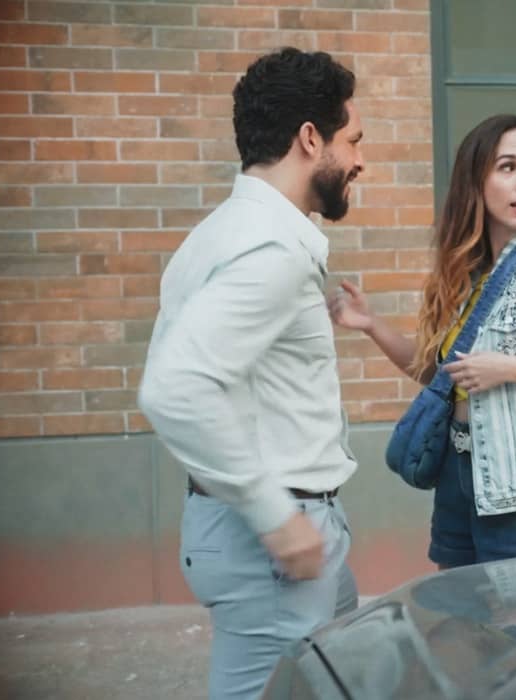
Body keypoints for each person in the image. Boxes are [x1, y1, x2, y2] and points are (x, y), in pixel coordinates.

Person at [137, 47, 365, 700]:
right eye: (353, 140)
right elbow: (175, 388)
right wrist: (277, 519)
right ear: (309, 138)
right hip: (272, 547)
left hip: (275, 538)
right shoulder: (271, 250)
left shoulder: (217, 234)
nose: (359, 161)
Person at [330, 113, 516, 568]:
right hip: (459, 476)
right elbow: (440, 377)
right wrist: (371, 324)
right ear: (476, 182)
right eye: (508, 168)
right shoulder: (468, 273)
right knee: (461, 627)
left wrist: (510, 368)